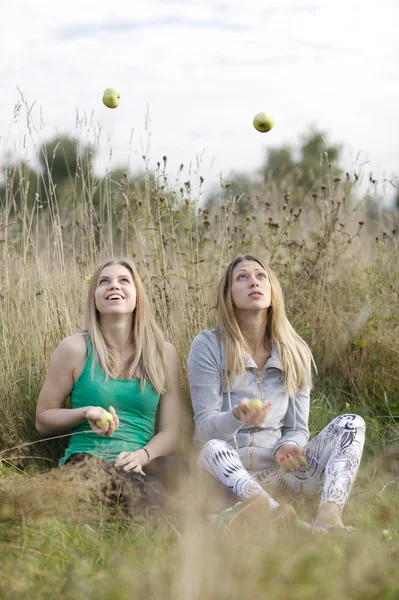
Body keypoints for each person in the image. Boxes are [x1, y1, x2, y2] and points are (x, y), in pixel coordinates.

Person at [187, 254, 366, 532]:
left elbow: (297, 428)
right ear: (229, 296)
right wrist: (236, 417)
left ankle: (329, 514)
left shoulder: (295, 350)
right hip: (225, 475)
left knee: (352, 423)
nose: (253, 282)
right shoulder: (209, 345)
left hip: (279, 476)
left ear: (272, 291)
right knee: (212, 448)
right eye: (242, 277)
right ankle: (285, 521)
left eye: (261, 276)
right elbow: (204, 432)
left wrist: (287, 446)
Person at [36, 258, 182, 512]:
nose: (114, 286)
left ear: (137, 295)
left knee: (188, 472)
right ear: (95, 297)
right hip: (86, 463)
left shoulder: (163, 354)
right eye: (104, 282)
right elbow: (43, 420)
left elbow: (172, 430)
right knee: (149, 490)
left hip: (141, 460)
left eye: (124, 280)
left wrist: (143, 456)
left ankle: (253, 511)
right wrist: (85, 412)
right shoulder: (75, 348)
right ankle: (212, 524)